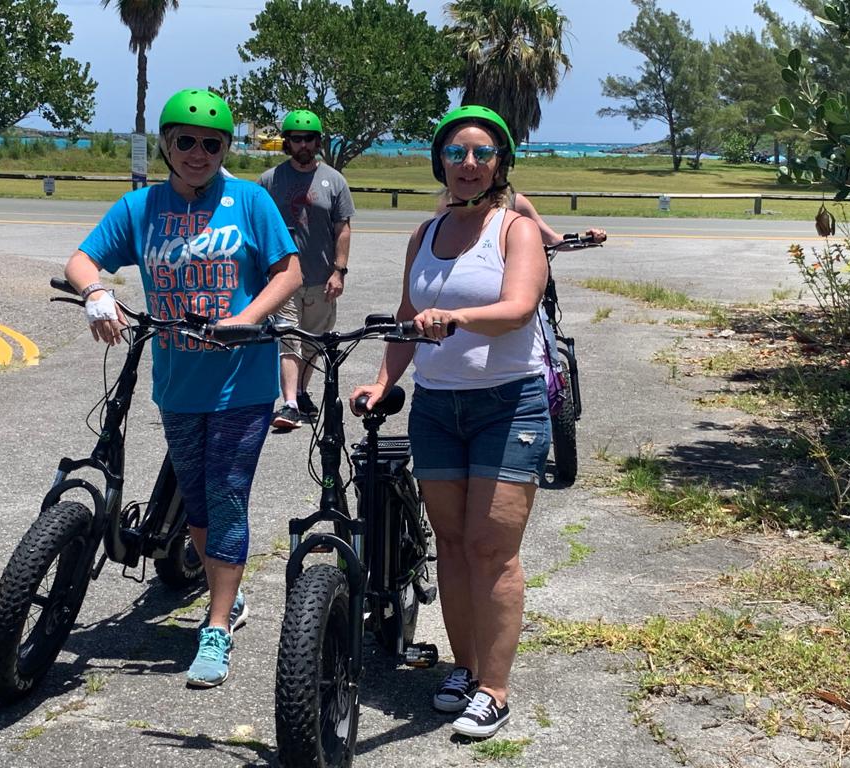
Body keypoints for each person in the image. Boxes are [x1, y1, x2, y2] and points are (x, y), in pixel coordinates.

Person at [64, 88, 301, 688]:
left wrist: (248, 320)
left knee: (224, 495)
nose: (198, 152)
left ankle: (216, 626)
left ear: (225, 148)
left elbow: (289, 273)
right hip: (176, 381)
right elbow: (84, 259)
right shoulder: (141, 207)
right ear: (168, 145)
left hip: (242, 379)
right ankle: (229, 593)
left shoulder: (249, 200)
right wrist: (96, 292)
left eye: (211, 143)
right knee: (194, 501)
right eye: (185, 142)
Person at [351, 106, 550, 738]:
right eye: (456, 152)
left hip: (508, 401)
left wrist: (456, 319)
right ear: (440, 160)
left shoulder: (514, 229)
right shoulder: (424, 232)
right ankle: (465, 670)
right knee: (454, 544)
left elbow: (519, 308)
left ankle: (495, 687)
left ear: (500, 165)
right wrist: (385, 382)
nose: (468, 164)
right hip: (438, 405)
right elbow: (409, 317)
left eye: (481, 154)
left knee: (492, 549)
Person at [258, 109, 355, 429]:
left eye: (309, 139)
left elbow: (342, 228)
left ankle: (300, 392)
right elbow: (257, 224)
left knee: (313, 341)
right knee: (289, 338)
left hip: (321, 277)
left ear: (318, 142)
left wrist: (339, 271)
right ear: (286, 142)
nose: (303, 145)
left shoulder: (334, 180)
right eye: (296, 139)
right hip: (282, 277)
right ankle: (288, 403)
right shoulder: (270, 180)